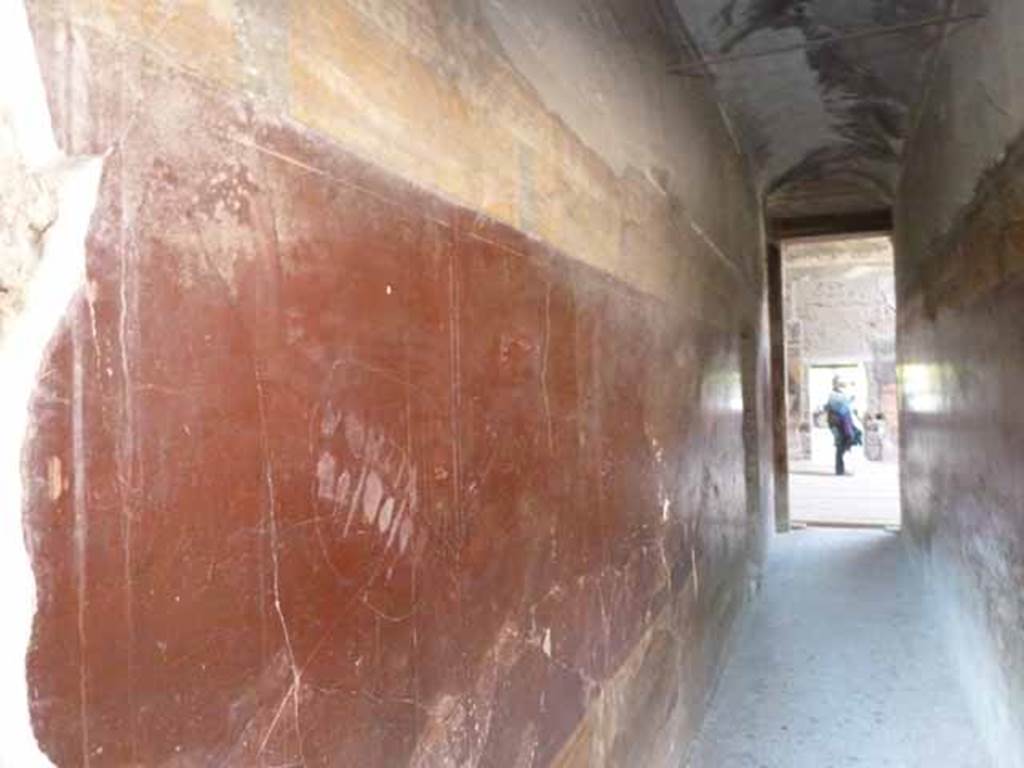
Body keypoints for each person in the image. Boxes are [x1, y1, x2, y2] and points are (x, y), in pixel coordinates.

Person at [824, 376, 862, 476]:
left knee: (845, 444)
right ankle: (840, 469)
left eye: (843, 384)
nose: (843, 386)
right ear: (836, 384)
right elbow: (840, 408)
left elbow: (845, 408)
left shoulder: (841, 394)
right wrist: (849, 401)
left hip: (843, 424)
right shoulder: (833, 395)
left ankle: (842, 469)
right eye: (841, 384)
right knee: (840, 445)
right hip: (837, 424)